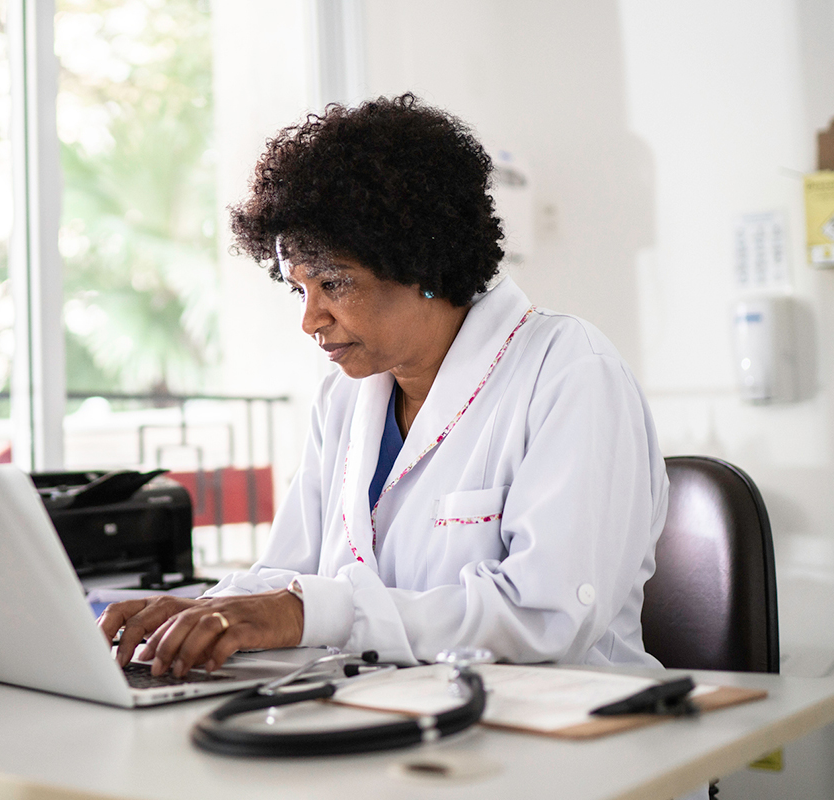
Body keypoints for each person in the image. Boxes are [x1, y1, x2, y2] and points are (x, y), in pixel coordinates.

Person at [98, 93, 668, 680]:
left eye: (334, 284)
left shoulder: (569, 372)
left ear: (422, 263)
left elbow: (544, 618)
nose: (309, 319)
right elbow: (290, 573)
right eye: (300, 290)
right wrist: (197, 611)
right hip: (399, 722)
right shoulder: (346, 398)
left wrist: (309, 613)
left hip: (574, 736)